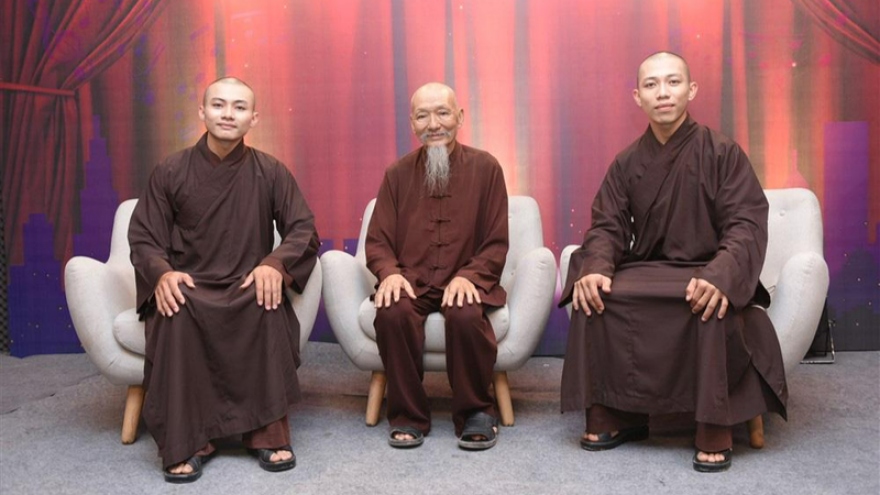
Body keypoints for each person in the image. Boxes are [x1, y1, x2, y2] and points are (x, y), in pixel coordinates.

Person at [559, 52, 788, 472]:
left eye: (673, 82)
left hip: (707, 268)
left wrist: (721, 275)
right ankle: (615, 414)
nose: (662, 93)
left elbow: (746, 223)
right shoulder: (627, 162)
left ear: (691, 90)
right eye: (651, 85)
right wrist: (596, 267)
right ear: (637, 96)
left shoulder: (722, 153)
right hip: (649, 270)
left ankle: (712, 423)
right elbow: (607, 225)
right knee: (595, 294)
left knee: (709, 302)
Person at [128, 77, 320, 483]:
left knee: (266, 304)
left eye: (239, 107)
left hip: (247, 285)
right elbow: (144, 236)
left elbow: (303, 229)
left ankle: (267, 433)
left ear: (254, 118)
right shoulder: (171, 170)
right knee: (176, 310)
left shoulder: (270, 172)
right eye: (218, 105)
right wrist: (162, 274)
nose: (228, 114)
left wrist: (274, 264)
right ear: (202, 112)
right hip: (191, 285)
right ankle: (190, 441)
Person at [366, 82, 509, 450]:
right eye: (423, 116)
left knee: (464, 312)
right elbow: (378, 241)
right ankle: (408, 415)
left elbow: (496, 241)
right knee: (392, 311)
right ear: (412, 123)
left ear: (459, 117)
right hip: (411, 280)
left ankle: (476, 412)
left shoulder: (487, 168)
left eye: (443, 113)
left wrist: (470, 276)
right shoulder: (396, 174)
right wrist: (390, 274)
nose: (434, 124)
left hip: (465, 278)